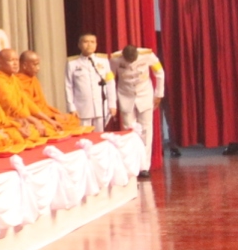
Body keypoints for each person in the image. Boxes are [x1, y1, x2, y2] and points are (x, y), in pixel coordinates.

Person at [112, 45, 164, 179]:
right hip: (125, 96)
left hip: (144, 95)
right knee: (128, 131)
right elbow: (110, 79)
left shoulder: (147, 55)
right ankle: (130, 166)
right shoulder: (115, 58)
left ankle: (144, 167)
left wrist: (159, 94)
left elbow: (159, 73)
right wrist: (112, 101)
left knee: (146, 131)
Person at [17, 51, 82, 134]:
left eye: (38, 65)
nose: (38, 68)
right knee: (47, 127)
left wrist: (52, 116)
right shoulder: (17, 82)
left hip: (43, 113)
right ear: (24, 65)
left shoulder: (33, 79)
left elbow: (41, 103)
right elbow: (28, 107)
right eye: (35, 65)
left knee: (72, 119)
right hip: (32, 116)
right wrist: (48, 119)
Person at [65, 34, 116, 136]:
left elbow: (110, 83)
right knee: (84, 137)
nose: (89, 44)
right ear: (79, 45)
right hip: (82, 108)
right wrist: (71, 107)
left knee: (100, 136)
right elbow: (68, 86)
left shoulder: (103, 61)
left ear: (96, 44)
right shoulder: (72, 63)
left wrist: (112, 104)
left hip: (100, 106)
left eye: (92, 42)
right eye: (86, 42)